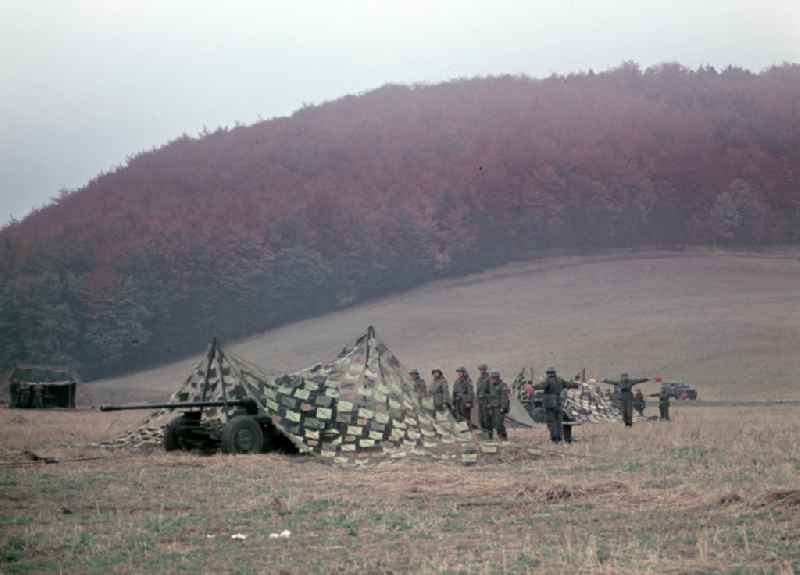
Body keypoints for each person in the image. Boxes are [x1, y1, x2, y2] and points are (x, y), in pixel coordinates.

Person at [534, 367, 579, 442]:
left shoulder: (547, 380)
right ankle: (560, 437)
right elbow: (569, 384)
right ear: (555, 373)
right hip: (559, 403)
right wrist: (577, 385)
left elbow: (541, 386)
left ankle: (555, 438)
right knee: (559, 421)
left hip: (550, 404)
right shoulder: (560, 380)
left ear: (548, 373)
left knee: (551, 422)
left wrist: (532, 387)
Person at [480, 370, 510, 440]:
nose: (492, 379)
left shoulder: (502, 385)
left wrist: (503, 407)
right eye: (491, 378)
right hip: (491, 406)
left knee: (499, 423)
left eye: (494, 378)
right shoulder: (489, 384)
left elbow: (504, 397)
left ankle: (503, 437)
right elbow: (484, 392)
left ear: (498, 378)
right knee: (488, 422)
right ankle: (489, 438)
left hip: (498, 408)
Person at [475, 363, 491, 432]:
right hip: (480, 400)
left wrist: (489, 401)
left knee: (486, 416)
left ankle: (488, 431)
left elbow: (491, 391)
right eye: (480, 370)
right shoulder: (479, 379)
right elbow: (478, 390)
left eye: (483, 369)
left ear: (485, 370)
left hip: (486, 400)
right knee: (480, 417)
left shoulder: (489, 378)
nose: (481, 371)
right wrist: (477, 398)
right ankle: (483, 430)